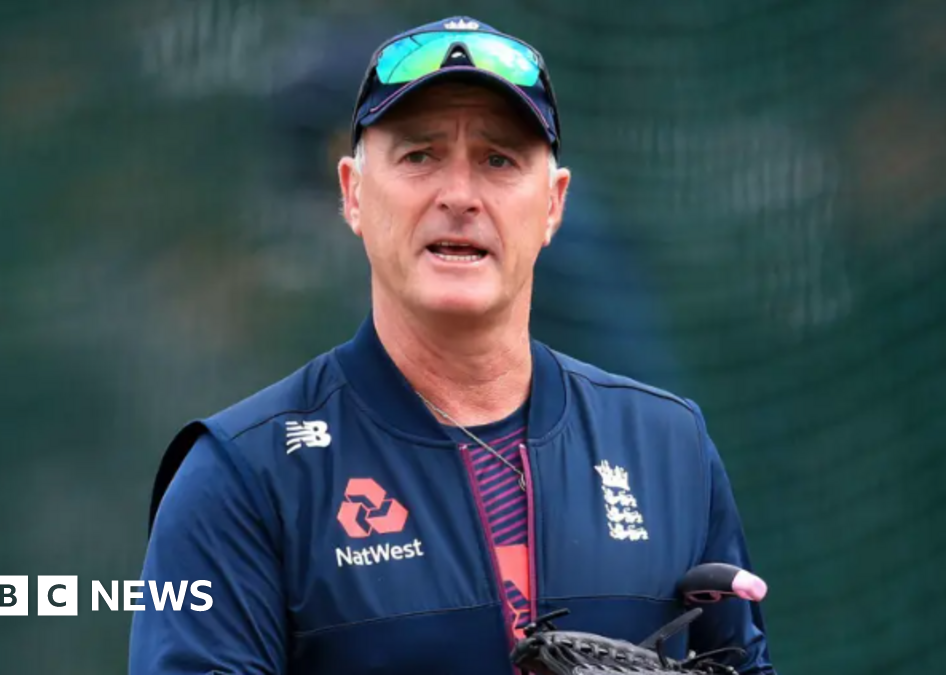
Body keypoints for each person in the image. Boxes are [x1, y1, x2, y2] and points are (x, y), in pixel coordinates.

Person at [129, 16, 778, 675]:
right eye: (420, 156)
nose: (460, 196)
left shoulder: (670, 449)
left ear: (554, 204)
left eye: (498, 160)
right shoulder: (239, 477)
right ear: (352, 194)